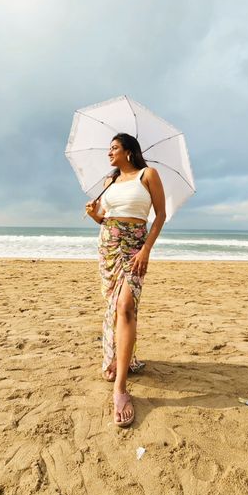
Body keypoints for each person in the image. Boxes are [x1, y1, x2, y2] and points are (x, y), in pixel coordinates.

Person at [85, 133, 166, 428]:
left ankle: (120, 389)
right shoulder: (109, 182)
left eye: (114, 148)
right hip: (108, 246)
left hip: (135, 246)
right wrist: (95, 215)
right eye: (108, 148)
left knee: (127, 305)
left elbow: (160, 216)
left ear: (129, 152)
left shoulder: (148, 175)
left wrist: (146, 249)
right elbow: (106, 217)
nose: (109, 152)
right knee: (115, 306)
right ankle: (120, 358)